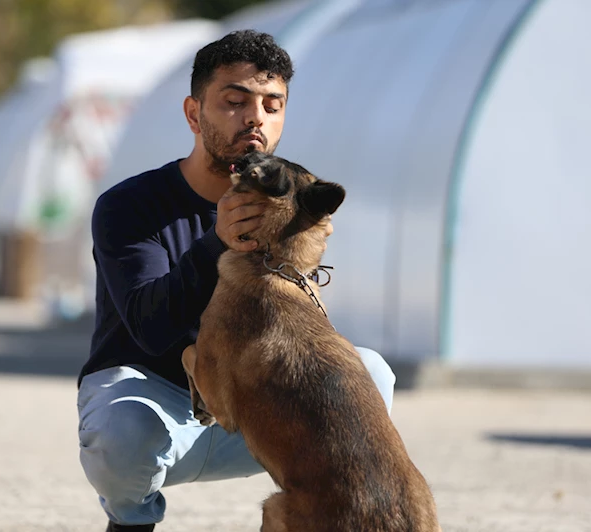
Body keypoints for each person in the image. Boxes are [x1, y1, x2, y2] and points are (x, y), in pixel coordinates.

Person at [76, 30, 397, 532]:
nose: (256, 119)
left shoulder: (294, 203)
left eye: (273, 105)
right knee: (122, 428)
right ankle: (131, 522)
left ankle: (317, 514)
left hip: (253, 414)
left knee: (371, 373)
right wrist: (217, 243)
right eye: (234, 101)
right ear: (192, 113)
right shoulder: (129, 206)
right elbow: (151, 329)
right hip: (157, 411)